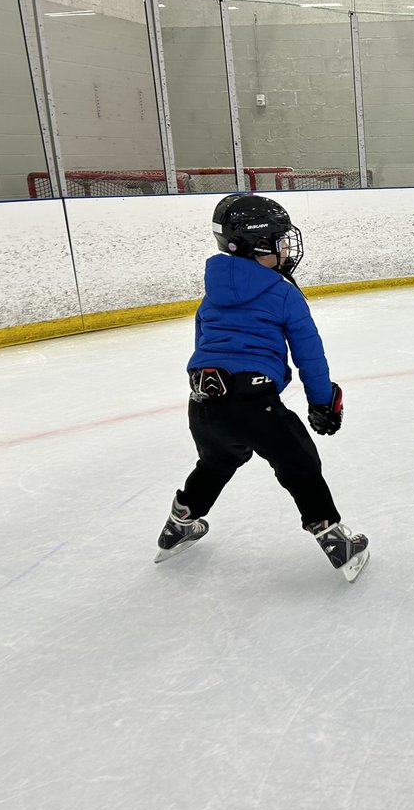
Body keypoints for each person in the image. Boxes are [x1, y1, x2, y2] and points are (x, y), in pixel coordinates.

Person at [154, 193, 369, 581]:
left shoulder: (210, 297)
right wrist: (323, 403)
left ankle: (179, 523)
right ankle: (335, 539)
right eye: (280, 241)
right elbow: (310, 356)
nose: (287, 250)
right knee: (300, 464)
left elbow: (205, 346)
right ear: (258, 245)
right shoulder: (283, 292)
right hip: (255, 403)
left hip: (203, 402)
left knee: (216, 461)